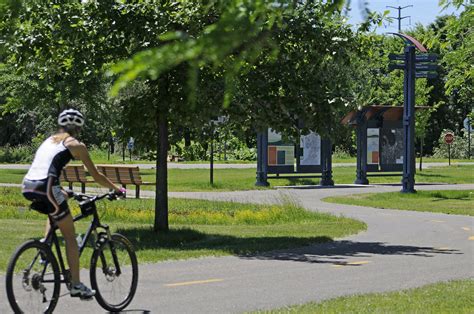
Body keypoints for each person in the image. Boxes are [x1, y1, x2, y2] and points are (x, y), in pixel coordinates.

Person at [22, 109, 125, 299]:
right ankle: (76, 285)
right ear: (78, 128)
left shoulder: (49, 141)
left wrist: (64, 191)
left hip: (28, 185)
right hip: (46, 186)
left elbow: (47, 169)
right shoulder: (76, 145)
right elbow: (95, 176)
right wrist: (117, 189)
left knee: (56, 206)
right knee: (70, 236)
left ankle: (45, 248)